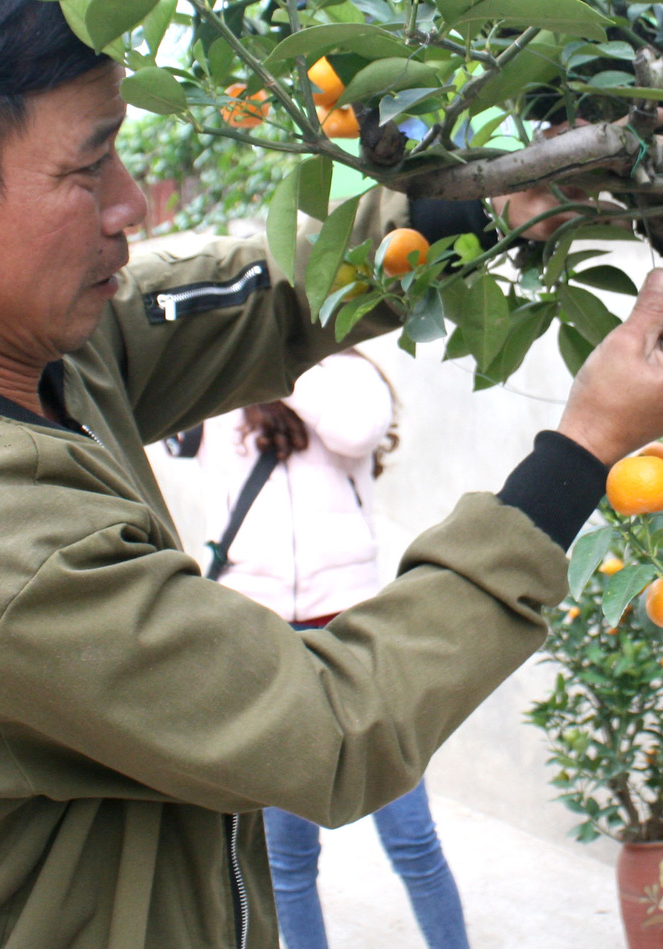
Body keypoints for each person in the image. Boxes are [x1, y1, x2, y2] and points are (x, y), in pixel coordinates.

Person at [0, 0, 663, 949]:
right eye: (87, 166)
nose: (127, 205)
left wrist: (479, 204)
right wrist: (580, 451)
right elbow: (335, 725)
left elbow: (245, 300)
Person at [194, 355, 468, 949]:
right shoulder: (229, 387)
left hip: (350, 630)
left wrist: (284, 359)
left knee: (412, 838)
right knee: (287, 859)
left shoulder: (347, 375)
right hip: (261, 636)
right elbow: (174, 435)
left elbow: (355, 430)